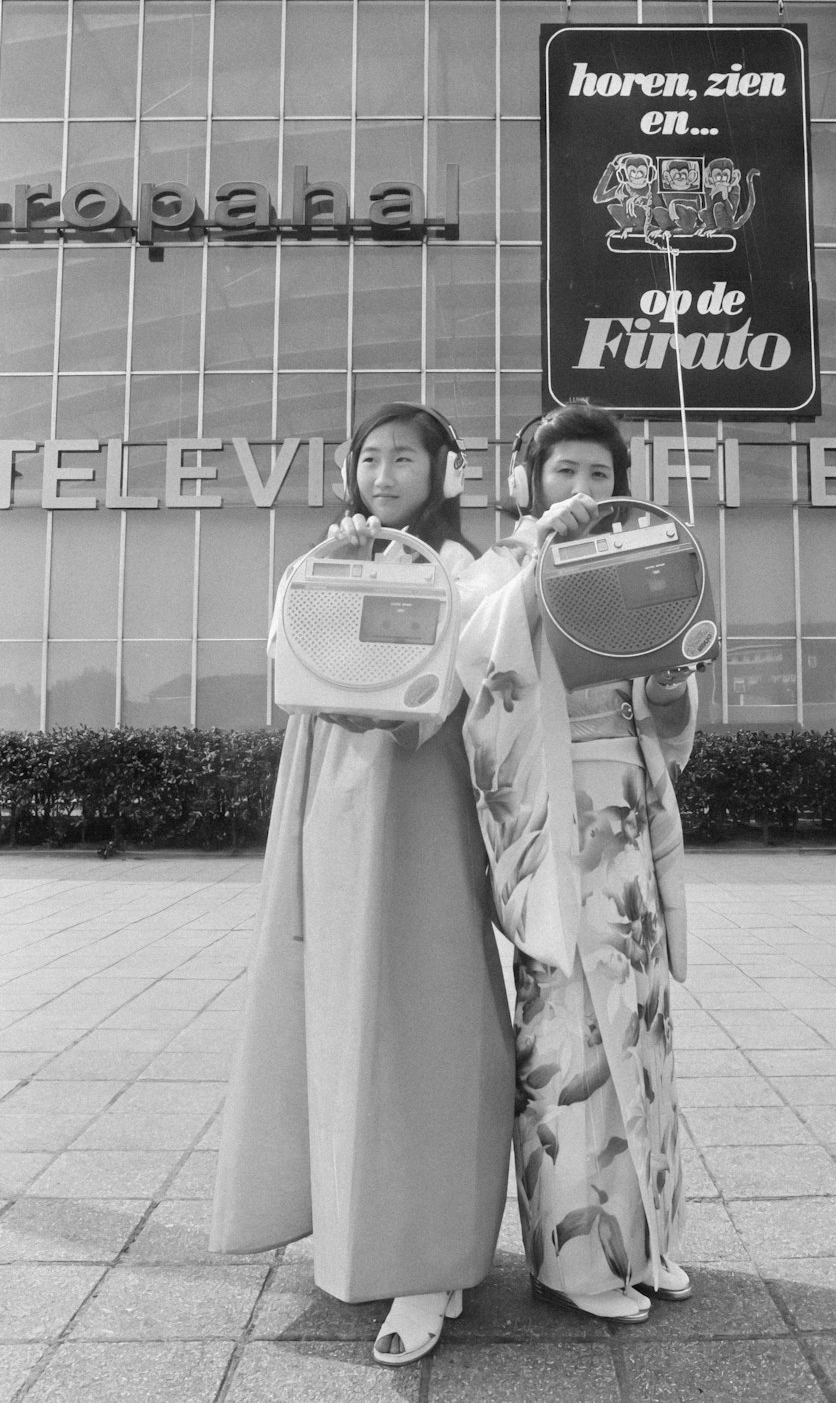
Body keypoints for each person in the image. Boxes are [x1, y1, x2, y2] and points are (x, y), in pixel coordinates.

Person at [210, 402, 515, 1366]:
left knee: (426, 1013)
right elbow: (292, 661)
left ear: (443, 472)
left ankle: (428, 1259)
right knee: (336, 1014)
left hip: (418, 797)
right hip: (331, 799)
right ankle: (355, 1230)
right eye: (369, 458)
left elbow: (471, 679)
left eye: (403, 460)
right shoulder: (329, 554)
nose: (383, 475)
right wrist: (342, 568)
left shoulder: (465, 567)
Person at [455, 402, 696, 1323]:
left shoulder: (633, 565)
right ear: (525, 482)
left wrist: (670, 690)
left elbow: (666, 722)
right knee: (568, 1040)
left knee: (643, 1030)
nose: (584, 492)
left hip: (624, 813)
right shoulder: (500, 568)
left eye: (600, 475)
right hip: (557, 825)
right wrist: (538, 564)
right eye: (564, 473)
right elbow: (480, 665)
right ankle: (577, 1263)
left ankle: (649, 1242)